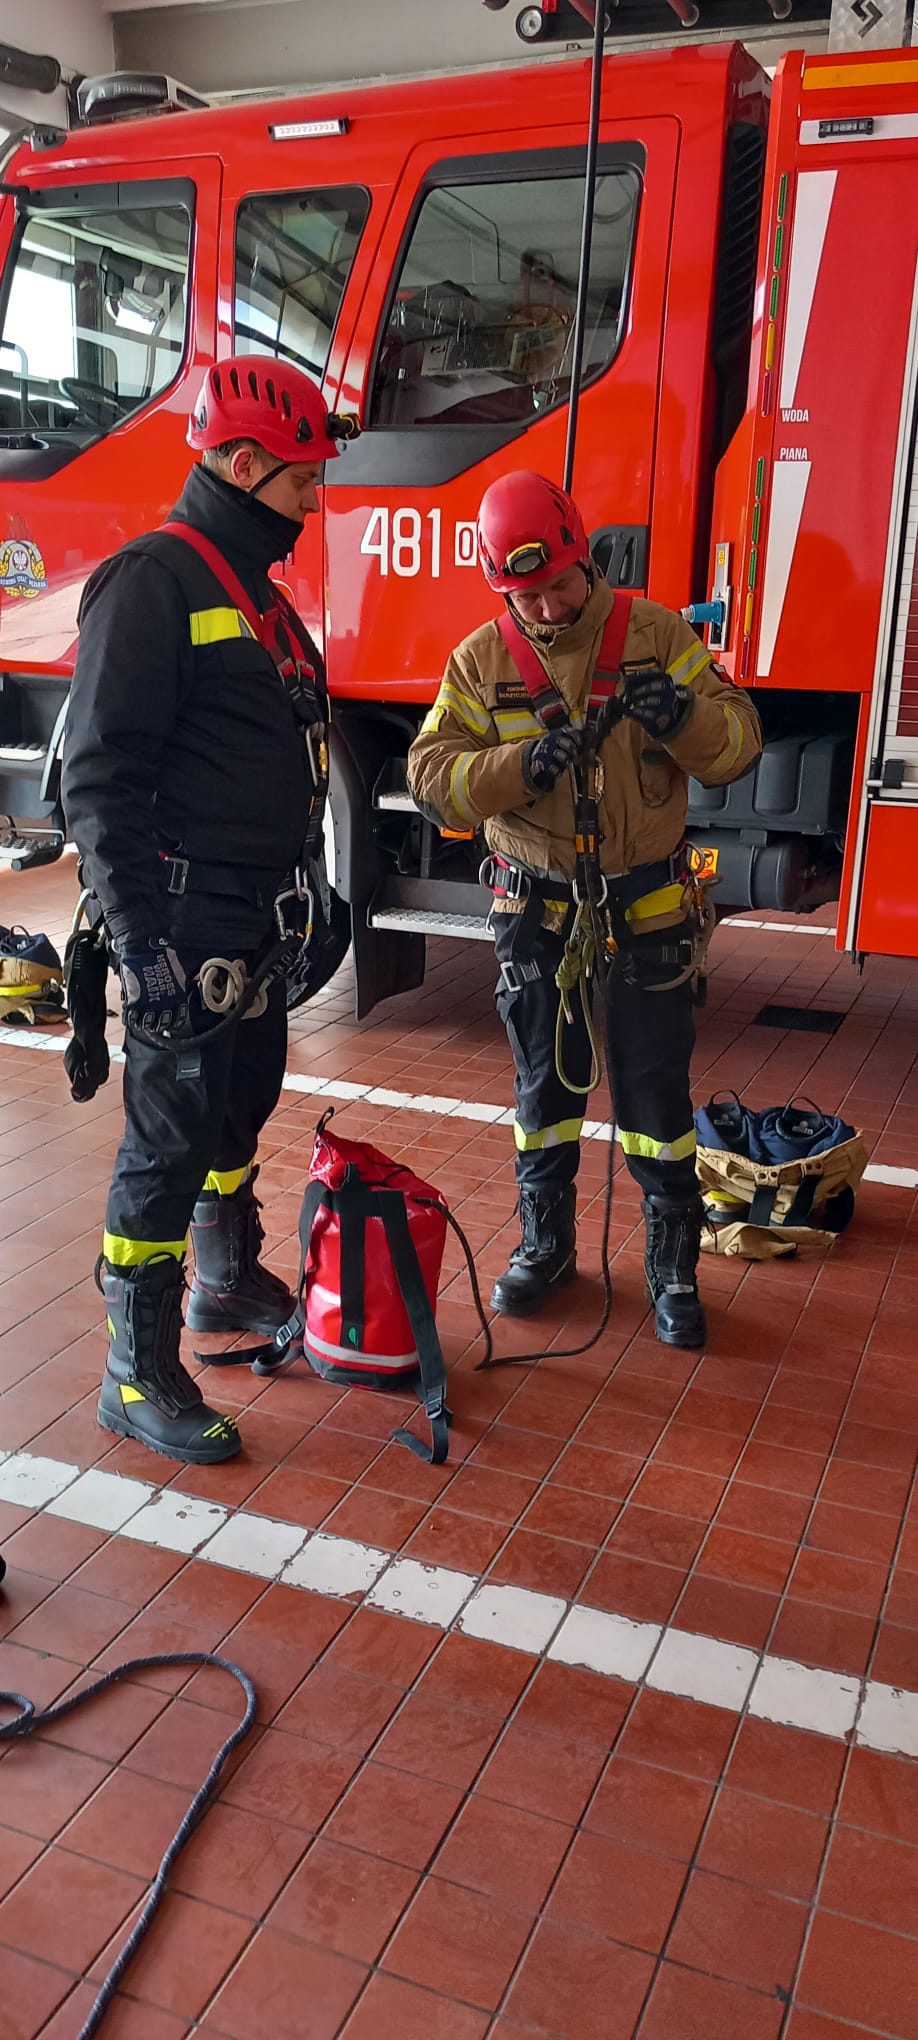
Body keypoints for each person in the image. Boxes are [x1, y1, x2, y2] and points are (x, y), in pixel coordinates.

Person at [62, 355, 357, 1464]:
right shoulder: (154, 583)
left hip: (253, 924)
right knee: (167, 1144)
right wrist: (140, 947)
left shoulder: (252, 594)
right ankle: (135, 1374)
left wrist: (312, 892)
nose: (312, 501)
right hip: (183, 929)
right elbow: (99, 782)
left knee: (236, 1109)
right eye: (299, 480)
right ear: (240, 465)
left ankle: (223, 1280)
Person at [407, 469, 762, 1348]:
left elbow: (737, 744)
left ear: (585, 560)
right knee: (545, 1085)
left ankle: (672, 1265)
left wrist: (682, 716)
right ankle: (548, 1245)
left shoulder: (656, 634)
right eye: (526, 596)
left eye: (560, 586)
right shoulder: (481, 660)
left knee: (654, 1092)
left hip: (647, 907)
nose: (548, 608)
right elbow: (430, 777)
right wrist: (516, 769)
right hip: (537, 910)